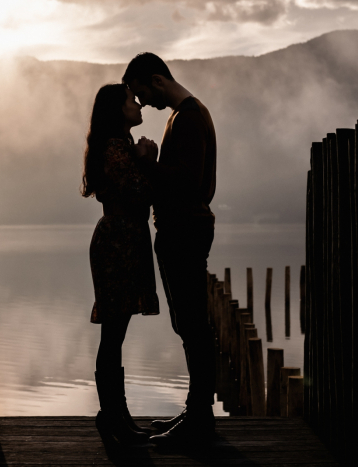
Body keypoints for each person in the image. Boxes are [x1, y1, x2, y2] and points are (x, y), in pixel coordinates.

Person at [122, 53, 218, 445]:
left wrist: (146, 163)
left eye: (143, 93)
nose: (143, 103)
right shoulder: (185, 115)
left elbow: (186, 182)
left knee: (192, 323)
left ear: (157, 80)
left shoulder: (189, 116)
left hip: (184, 229)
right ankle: (196, 413)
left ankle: (199, 420)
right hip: (184, 228)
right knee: (187, 323)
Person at [82, 83, 161, 445]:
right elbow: (139, 193)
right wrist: (147, 160)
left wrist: (142, 157)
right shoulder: (116, 148)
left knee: (116, 333)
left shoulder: (119, 146)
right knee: (113, 333)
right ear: (118, 110)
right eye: (132, 100)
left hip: (126, 239)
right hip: (118, 242)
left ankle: (116, 415)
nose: (138, 104)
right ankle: (113, 415)